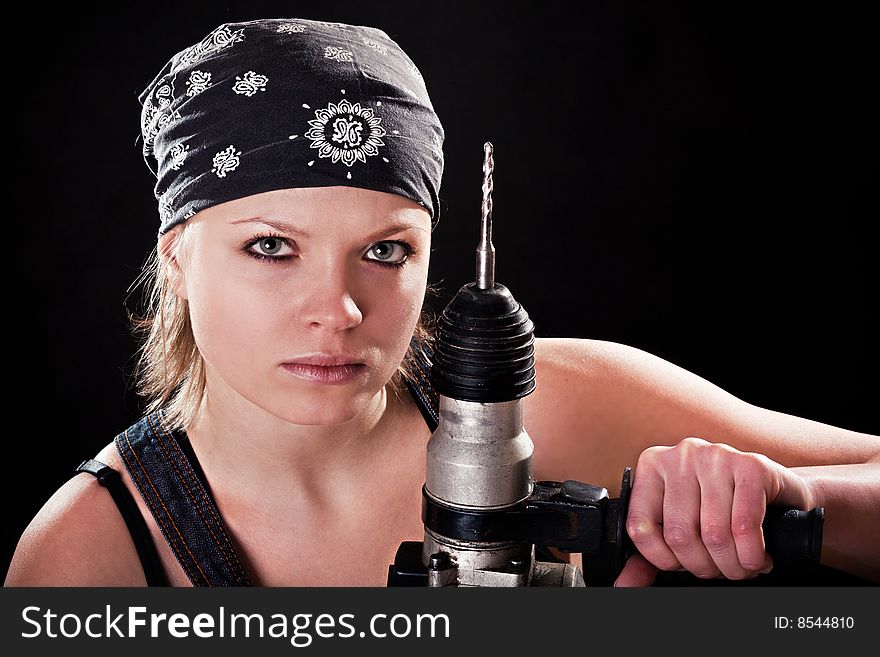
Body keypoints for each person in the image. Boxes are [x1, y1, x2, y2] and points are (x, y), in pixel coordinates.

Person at [5, 17, 878, 587]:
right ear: (179, 258)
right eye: (271, 247)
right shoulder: (91, 559)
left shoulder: (551, 411)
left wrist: (794, 499)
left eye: (385, 251)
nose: (340, 309)